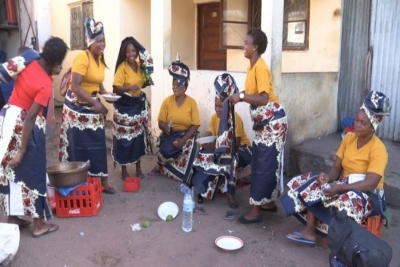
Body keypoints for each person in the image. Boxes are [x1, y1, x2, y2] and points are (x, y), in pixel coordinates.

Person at [280, 91, 391, 244]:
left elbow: (371, 183)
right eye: (357, 120)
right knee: (314, 183)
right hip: (346, 184)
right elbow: (336, 168)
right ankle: (310, 231)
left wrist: (339, 188)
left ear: (373, 127)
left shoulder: (378, 149)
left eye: (363, 123)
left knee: (348, 201)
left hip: (369, 194)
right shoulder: (349, 139)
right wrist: (327, 177)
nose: (357, 125)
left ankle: (343, 244)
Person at [0, 37, 68, 237]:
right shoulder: (45, 84)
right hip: (23, 126)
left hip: (6, 119)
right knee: (35, 174)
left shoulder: (28, 56)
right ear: (57, 62)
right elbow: (30, 117)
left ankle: (13, 218)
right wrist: (22, 150)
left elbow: (5, 73)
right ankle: (38, 226)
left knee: (12, 171)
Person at [228, 28, 288, 224]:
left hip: (272, 123)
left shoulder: (261, 67)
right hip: (265, 123)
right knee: (267, 162)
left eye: (246, 43)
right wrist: (239, 96)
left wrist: (243, 97)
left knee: (262, 163)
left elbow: (263, 98)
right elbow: (253, 92)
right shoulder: (251, 67)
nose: (243, 46)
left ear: (255, 47)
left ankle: (255, 211)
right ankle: (268, 203)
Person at [59, 17, 115, 194]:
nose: (102, 44)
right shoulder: (82, 57)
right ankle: (76, 181)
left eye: (104, 41)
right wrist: (95, 103)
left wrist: (106, 94)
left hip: (90, 104)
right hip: (76, 107)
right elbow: (75, 86)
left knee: (98, 143)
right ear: (91, 42)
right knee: (78, 146)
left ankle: (102, 180)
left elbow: (96, 83)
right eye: (99, 41)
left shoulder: (99, 59)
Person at [191, 73, 252, 215]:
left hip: (242, 151)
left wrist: (215, 147)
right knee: (202, 155)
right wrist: (207, 137)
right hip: (221, 148)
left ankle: (230, 193)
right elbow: (213, 136)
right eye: (216, 106)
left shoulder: (235, 119)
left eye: (220, 107)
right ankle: (202, 189)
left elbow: (235, 146)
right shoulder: (214, 118)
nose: (218, 110)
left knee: (232, 159)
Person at [147, 58, 200, 182]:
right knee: (166, 149)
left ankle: (179, 172)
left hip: (187, 134)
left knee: (191, 147)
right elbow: (160, 122)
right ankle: (160, 166)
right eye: (173, 84)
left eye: (178, 84)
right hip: (171, 134)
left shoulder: (191, 103)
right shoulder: (167, 102)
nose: (174, 87)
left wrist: (182, 140)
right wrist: (164, 127)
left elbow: (195, 125)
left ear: (185, 87)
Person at [112, 37, 153, 180]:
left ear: (137, 52)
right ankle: (124, 170)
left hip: (137, 105)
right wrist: (130, 87)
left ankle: (138, 168)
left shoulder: (140, 66)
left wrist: (148, 81)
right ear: (124, 53)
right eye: (128, 51)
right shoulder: (122, 67)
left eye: (133, 51)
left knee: (138, 138)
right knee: (124, 139)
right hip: (125, 107)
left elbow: (142, 84)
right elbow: (116, 88)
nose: (131, 54)